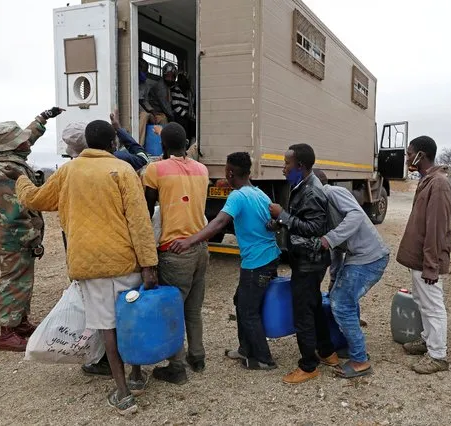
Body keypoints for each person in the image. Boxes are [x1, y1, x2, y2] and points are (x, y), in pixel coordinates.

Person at [14, 120, 158, 415]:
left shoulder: (68, 171)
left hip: (91, 265)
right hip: (125, 260)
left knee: (108, 328)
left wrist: (21, 180)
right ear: (112, 144)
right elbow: (140, 221)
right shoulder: (124, 170)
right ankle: (137, 376)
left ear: (84, 143)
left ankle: (123, 394)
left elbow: (37, 199)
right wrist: (148, 264)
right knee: (130, 321)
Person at [170, 152, 281, 371]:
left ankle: (264, 359)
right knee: (241, 301)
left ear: (230, 173)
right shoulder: (261, 194)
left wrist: (189, 241)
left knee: (249, 310)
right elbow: (272, 222)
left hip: (257, 262)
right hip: (269, 257)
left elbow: (220, 222)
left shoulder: (238, 197)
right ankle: (245, 349)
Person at [0, 107, 63, 351]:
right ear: (12, 147)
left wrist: (43, 118)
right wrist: (32, 239)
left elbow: (28, 136)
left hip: (5, 229)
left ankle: (20, 322)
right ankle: (7, 332)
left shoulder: (4, 155)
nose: (26, 143)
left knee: (23, 278)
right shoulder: (7, 170)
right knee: (14, 278)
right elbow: (15, 214)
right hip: (12, 234)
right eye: (21, 142)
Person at [143, 122, 210, 383]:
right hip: (200, 246)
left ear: (163, 145)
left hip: (175, 249)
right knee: (193, 308)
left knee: (173, 310)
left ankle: (177, 367)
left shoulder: (155, 169)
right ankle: (198, 356)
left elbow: (147, 210)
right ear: (186, 144)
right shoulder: (202, 170)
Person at [268, 143, 338, 384]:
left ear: (300, 166)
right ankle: (327, 352)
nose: (283, 169)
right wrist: (280, 223)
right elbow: (304, 219)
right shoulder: (302, 185)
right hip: (309, 261)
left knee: (303, 313)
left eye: (286, 164)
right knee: (314, 305)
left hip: (309, 262)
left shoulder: (311, 191)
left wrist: (283, 216)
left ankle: (308, 366)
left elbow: (315, 229)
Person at [312, 169, 389, 379]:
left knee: (342, 304)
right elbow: (338, 248)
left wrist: (329, 238)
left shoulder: (333, 193)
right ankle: (349, 347)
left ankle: (360, 361)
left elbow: (355, 215)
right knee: (343, 298)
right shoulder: (323, 204)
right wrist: (334, 277)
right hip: (358, 256)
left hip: (370, 257)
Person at [396, 136, 451, 374]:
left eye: (410, 153)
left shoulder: (438, 184)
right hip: (420, 258)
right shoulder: (428, 181)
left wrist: (431, 265)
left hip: (427, 259)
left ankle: (438, 355)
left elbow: (437, 228)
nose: (408, 158)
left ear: (421, 154)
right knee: (422, 301)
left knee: (432, 305)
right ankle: (428, 340)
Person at [62, 112, 149, 171]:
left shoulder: (67, 170)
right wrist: (119, 129)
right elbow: (143, 159)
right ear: (112, 144)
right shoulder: (118, 159)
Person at [138, 58, 156, 146]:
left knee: (162, 118)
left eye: (146, 70)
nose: (146, 72)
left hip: (143, 108)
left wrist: (152, 111)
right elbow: (136, 102)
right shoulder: (132, 81)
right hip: (136, 111)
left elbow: (145, 101)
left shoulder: (145, 85)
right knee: (145, 115)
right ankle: (139, 145)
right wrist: (148, 113)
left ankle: (160, 146)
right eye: (143, 70)